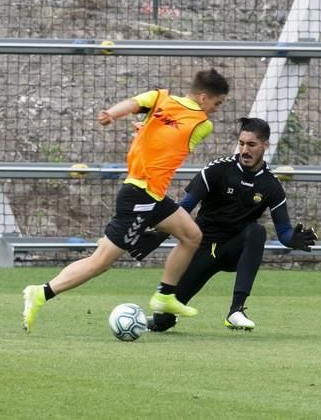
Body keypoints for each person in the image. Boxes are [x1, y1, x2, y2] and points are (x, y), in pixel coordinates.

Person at [22, 68, 230, 332]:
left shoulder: (159, 97)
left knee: (191, 236)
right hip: (140, 196)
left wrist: (113, 114)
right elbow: (171, 140)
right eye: (217, 103)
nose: (216, 110)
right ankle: (41, 293)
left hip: (152, 195)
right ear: (203, 98)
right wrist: (143, 129)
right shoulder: (202, 124)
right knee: (100, 263)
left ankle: (165, 296)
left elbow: (134, 105)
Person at [141, 117, 318, 332]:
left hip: (235, 248)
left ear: (265, 145)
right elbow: (185, 206)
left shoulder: (271, 185)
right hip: (203, 247)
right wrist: (160, 234)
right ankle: (155, 321)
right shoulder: (218, 170)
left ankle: (236, 310)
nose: (245, 149)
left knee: (256, 232)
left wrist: (293, 239)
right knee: (162, 322)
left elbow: (283, 231)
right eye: (242, 143)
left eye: (251, 144)